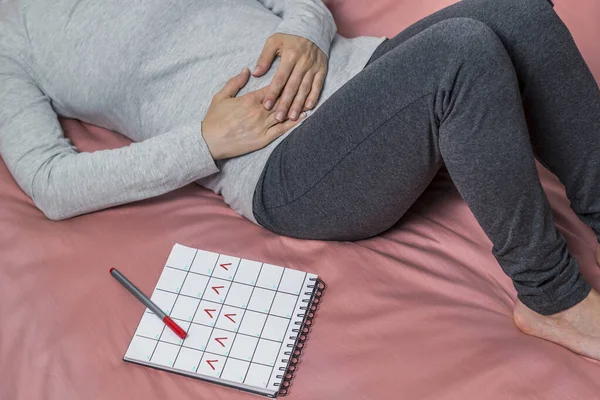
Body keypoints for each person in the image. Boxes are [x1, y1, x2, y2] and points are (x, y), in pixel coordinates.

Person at [0, 0, 599, 359]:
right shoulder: (11, 36)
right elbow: (52, 182)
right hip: (288, 166)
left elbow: (301, 4)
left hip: (372, 70)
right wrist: (203, 144)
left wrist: (306, 34)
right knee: (463, 52)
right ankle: (551, 298)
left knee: (518, 11)